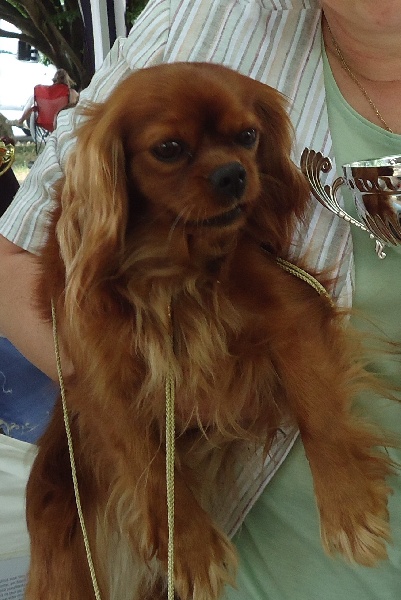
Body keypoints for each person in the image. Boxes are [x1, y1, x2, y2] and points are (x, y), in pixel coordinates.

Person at [0, 1, 400, 598]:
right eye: (170, 150)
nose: (228, 169)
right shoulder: (194, 18)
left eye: (245, 140)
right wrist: (145, 397)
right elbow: (13, 259)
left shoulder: (246, 251)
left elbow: (296, 323)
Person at [17, 68, 79, 138]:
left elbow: (31, 106)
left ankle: (20, 121)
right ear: (68, 80)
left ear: (54, 80)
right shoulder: (71, 92)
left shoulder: (46, 92)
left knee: (33, 107)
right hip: (63, 123)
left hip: (45, 123)